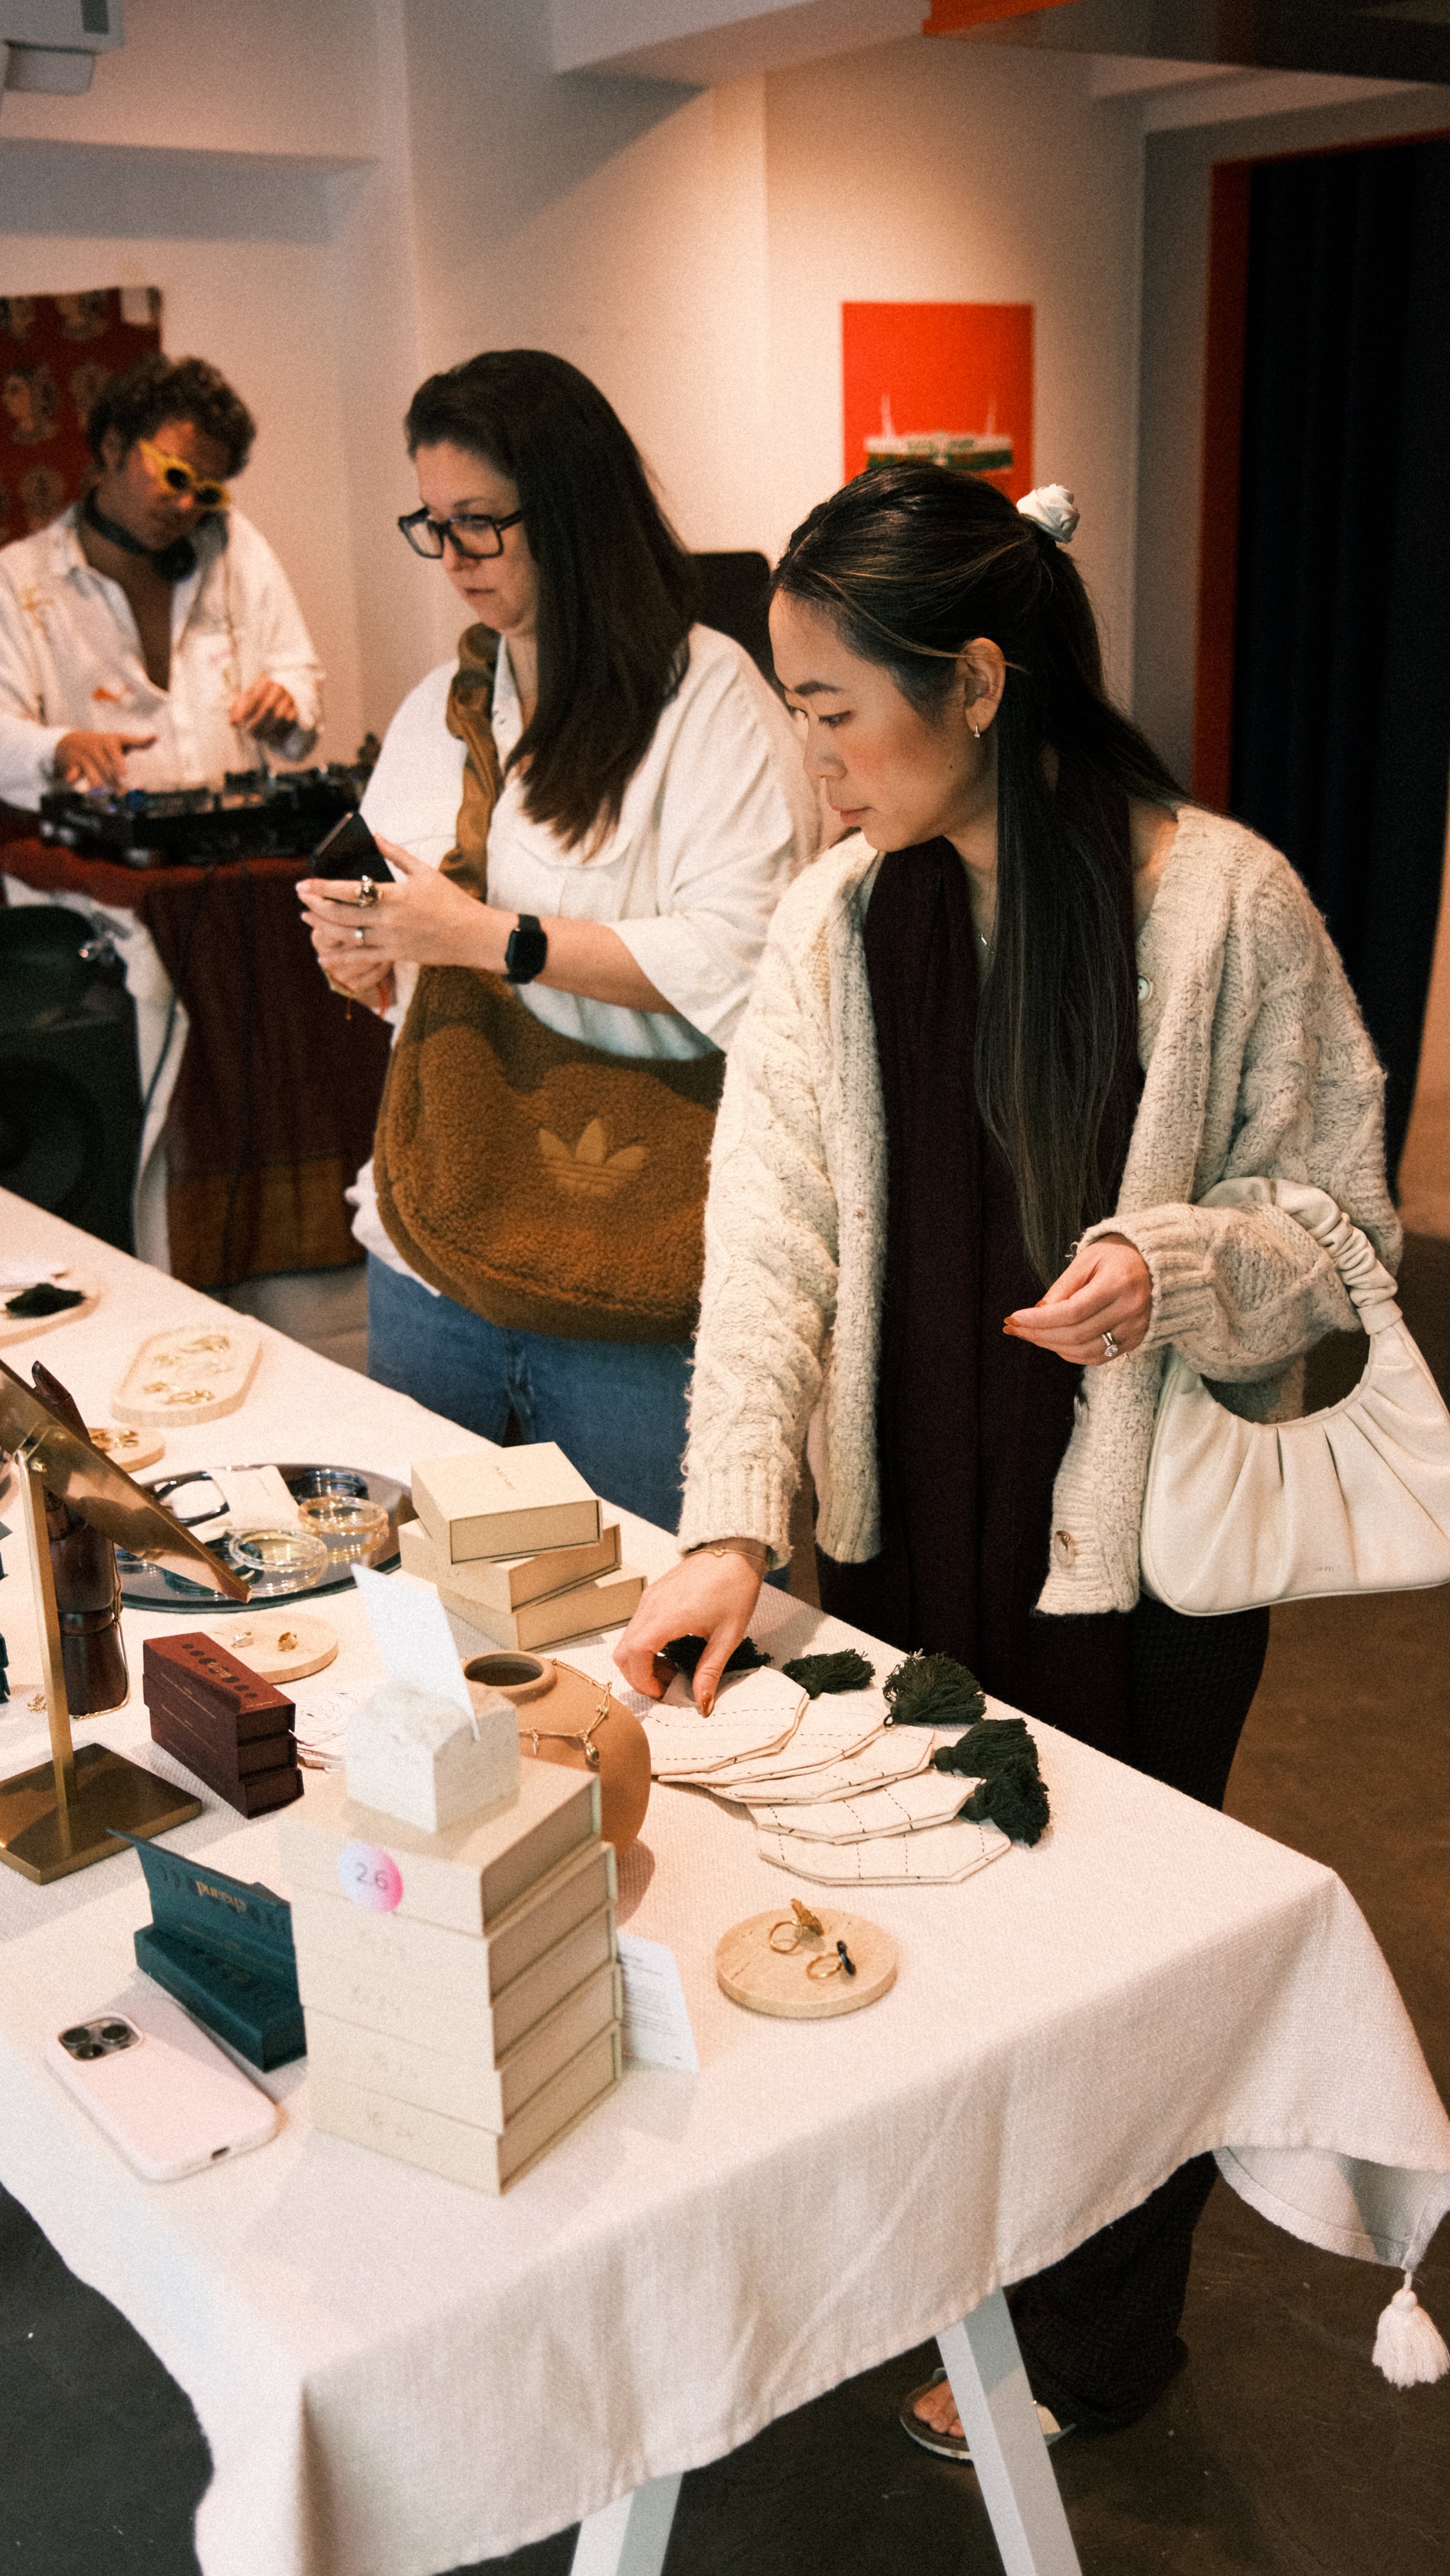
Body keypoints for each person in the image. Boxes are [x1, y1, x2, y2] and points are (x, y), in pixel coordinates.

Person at [615, 463, 1398, 2447]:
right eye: (789, 709)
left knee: (1116, 1958)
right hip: (906, 1532)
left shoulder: (1221, 902)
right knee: (941, 1925)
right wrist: (727, 1525)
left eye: (831, 711)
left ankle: (1093, 2343)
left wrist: (1181, 1267)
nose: (812, 761)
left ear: (977, 681)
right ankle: (942, 2273)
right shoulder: (836, 919)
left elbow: (1342, 1230)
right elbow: (769, 1243)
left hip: (1136, 1560)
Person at [297, 350, 817, 1533]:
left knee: (664, 1643)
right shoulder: (444, 707)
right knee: (444, 1621)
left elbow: (744, 970)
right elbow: (421, 963)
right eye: (433, 527)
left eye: (481, 524)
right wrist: (372, 961)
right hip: (434, 1250)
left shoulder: (707, 697)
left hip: (638, 1272)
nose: (456, 561)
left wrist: (486, 937)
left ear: (575, 511)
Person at [0, 351, 323, 807]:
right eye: (175, 475)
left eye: (206, 491)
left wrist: (287, 702)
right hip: (89, 869)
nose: (188, 505)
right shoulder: (18, 578)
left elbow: (298, 674)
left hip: (232, 855)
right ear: (114, 448)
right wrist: (58, 747)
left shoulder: (232, 543)